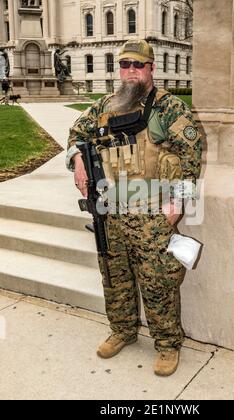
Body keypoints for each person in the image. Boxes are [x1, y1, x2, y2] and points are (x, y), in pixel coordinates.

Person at [66, 39, 204, 376]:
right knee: (115, 278)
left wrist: (178, 203)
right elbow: (76, 133)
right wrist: (77, 160)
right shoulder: (104, 107)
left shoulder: (168, 109)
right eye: (125, 65)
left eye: (137, 65)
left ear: (151, 69)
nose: (130, 71)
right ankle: (123, 331)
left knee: (158, 282)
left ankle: (168, 343)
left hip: (152, 214)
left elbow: (192, 154)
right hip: (111, 213)